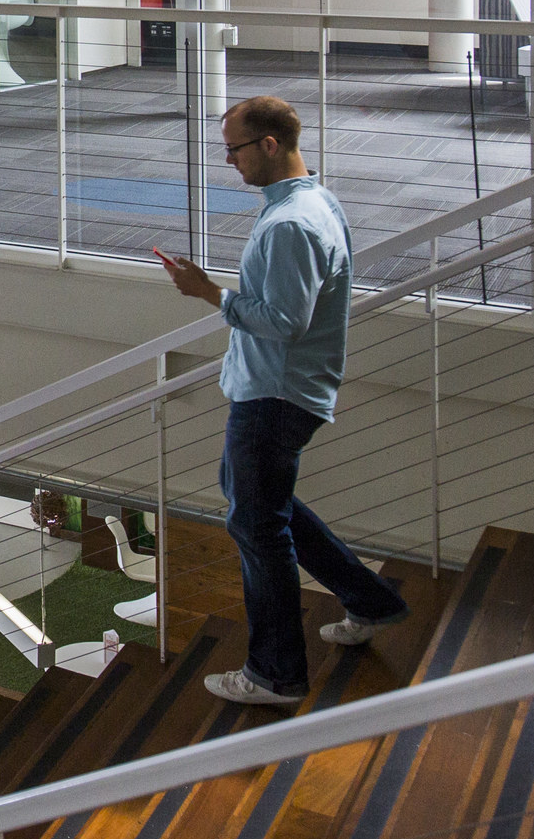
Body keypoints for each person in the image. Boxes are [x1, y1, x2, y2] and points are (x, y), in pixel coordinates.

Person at [160, 95, 413, 709]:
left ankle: (276, 673)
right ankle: (370, 601)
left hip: (276, 398)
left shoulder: (291, 223)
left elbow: (285, 321)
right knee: (260, 506)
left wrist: (209, 293)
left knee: (257, 527)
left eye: (236, 149)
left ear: (269, 145)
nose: (230, 161)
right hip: (274, 391)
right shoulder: (312, 202)